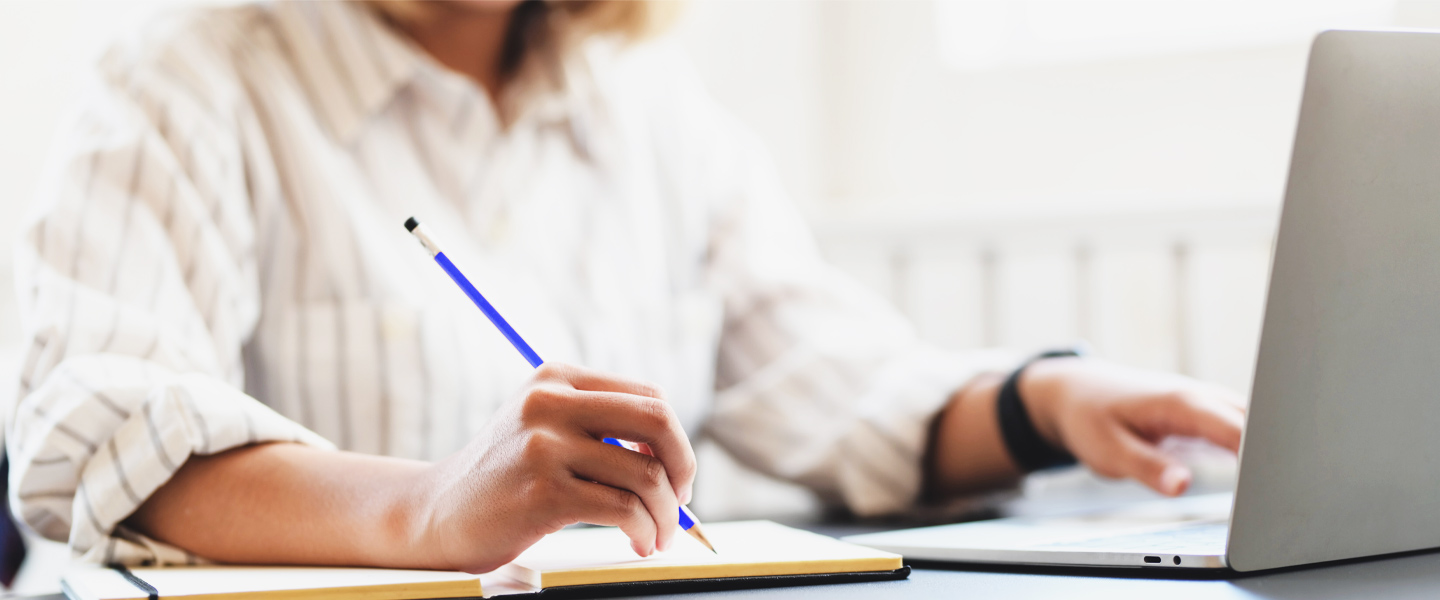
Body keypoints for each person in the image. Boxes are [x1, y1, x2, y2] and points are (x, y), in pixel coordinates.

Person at [8, 0, 1244, 573]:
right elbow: (95, 430)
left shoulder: (646, 110)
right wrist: (430, 508)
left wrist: (1050, 399)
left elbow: (839, 388)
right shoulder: (183, 76)